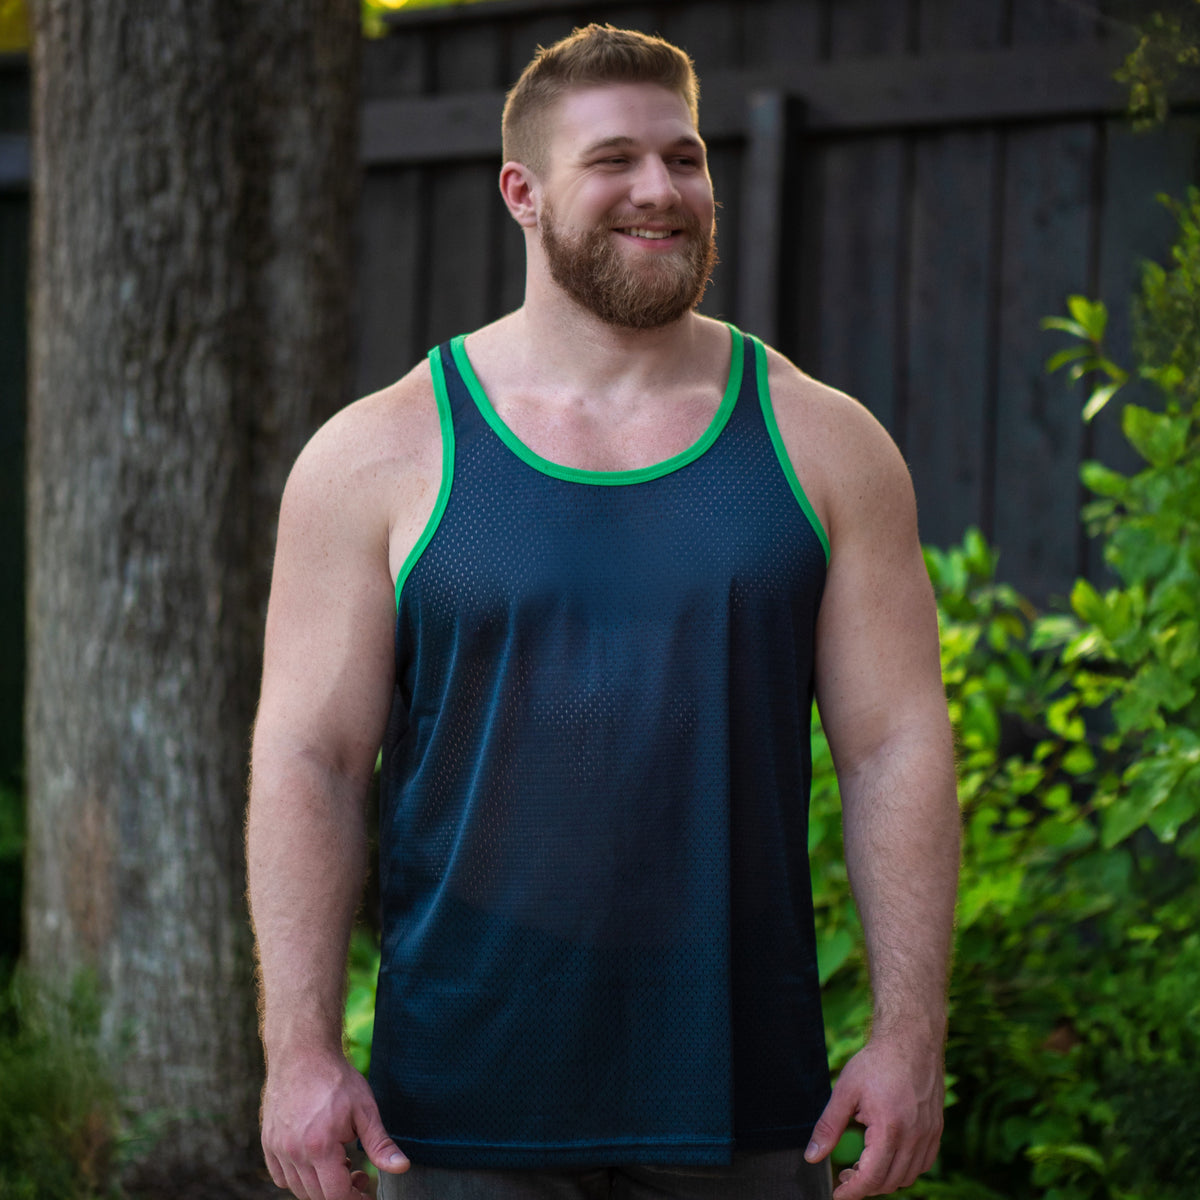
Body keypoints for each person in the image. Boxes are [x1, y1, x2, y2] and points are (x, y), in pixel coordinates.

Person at [247, 24, 959, 1200]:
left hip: (742, 1102)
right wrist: (299, 1051)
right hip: (461, 1110)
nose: (660, 190)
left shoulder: (826, 443)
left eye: (685, 158)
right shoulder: (378, 454)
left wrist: (910, 1038)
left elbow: (895, 747)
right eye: (614, 160)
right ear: (522, 193)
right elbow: (309, 760)